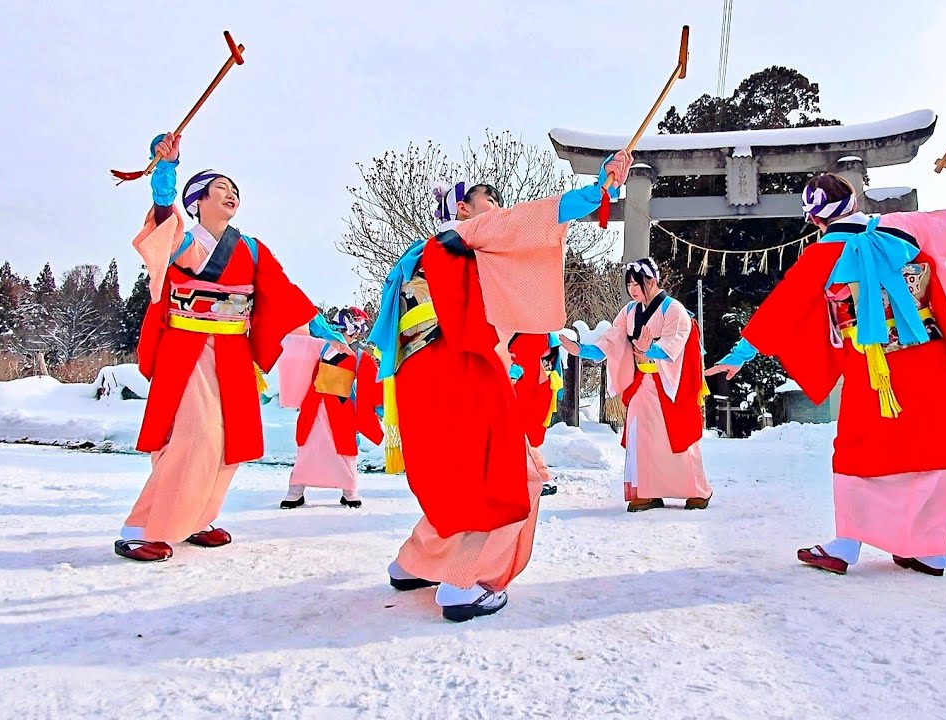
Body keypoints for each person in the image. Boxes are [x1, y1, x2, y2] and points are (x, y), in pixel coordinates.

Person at [371, 151, 633, 621]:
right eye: (489, 200)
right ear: (462, 209)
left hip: (417, 375)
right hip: (461, 366)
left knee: (458, 477)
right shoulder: (466, 235)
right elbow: (541, 217)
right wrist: (601, 190)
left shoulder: (417, 257)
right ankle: (466, 583)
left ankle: (413, 563)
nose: (499, 208)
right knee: (515, 475)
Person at [705, 172, 946, 576]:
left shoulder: (822, 255)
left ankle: (846, 545)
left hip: (875, 366)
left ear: (816, 219)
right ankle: (929, 550)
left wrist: (739, 355)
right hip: (931, 355)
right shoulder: (905, 226)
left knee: (861, 449)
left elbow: (779, 312)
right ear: (853, 203)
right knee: (932, 445)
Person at [115, 132, 346, 562]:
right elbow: (163, 226)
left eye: (234, 190)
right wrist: (166, 173)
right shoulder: (187, 242)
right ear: (196, 201)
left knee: (227, 442)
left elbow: (284, 294)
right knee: (194, 436)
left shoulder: (252, 250)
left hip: (233, 353)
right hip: (188, 349)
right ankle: (141, 528)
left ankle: (195, 518)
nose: (230, 194)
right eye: (220, 188)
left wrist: (321, 328)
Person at [561, 258, 712, 511]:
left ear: (652, 281)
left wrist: (649, 349)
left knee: (677, 435)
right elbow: (611, 341)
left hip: (671, 383)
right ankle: (646, 492)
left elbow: (674, 345)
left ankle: (696, 490)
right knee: (640, 436)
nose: (632, 289)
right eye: (629, 284)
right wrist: (582, 350)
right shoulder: (629, 311)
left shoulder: (673, 309)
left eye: (637, 283)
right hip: (642, 382)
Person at [277, 307, 383, 509]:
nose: (356, 335)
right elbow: (310, 317)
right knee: (308, 447)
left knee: (344, 450)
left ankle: (349, 491)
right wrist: (327, 334)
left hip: (341, 407)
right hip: (315, 405)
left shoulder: (358, 356)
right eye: (355, 329)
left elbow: (373, 384)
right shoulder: (320, 346)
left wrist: (379, 408)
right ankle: (296, 490)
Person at [508, 332, 566, 497]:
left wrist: (513, 372)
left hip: (528, 389)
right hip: (534, 387)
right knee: (523, 435)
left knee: (522, 434)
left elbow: (523, 360)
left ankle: (541, 477)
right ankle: (538, 477)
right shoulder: (540, 333)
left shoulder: (532, 336)